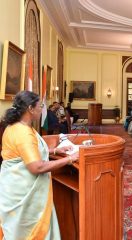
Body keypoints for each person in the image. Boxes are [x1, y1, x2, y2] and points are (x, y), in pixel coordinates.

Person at [0, 91, 79, 239]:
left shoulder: (15, 126)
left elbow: (26, 153)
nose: (41, 109)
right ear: (30, 108)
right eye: (40, 106)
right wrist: (70, 159)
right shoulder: (23, 133)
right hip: (23, 194)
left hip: (11, 187)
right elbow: (37, 167)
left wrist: (55, 150)